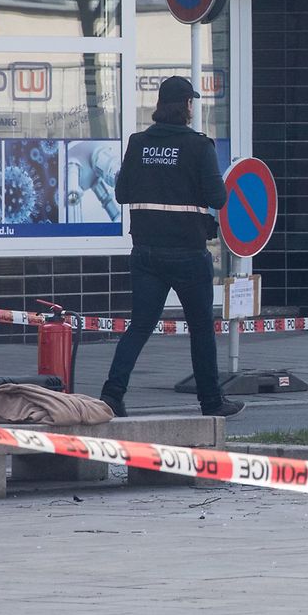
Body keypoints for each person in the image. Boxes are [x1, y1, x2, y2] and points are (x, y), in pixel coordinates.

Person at [99, 77, 241, 419]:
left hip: (146, 252)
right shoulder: (199, 146)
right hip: (188, 254)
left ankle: (112, 394)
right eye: (192, 102)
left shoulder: (139, 143)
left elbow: (121, 194)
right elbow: (218, 198)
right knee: (201, 329)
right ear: (186, 106)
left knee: (140, 326)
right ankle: (211, 403)